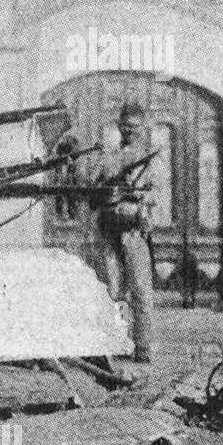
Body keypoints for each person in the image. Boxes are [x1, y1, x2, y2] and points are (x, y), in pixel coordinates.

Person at [94, 101, 157, 364]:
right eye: (126, 126)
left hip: (133, 231)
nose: (130, 130)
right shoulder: (109, 157)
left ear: (142, 128)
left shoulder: (150, 157)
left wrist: (139, 201)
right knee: (112, 289)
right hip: (109, 230)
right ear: (119, 126)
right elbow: (95, 189)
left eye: (135, 126)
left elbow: (154, 194)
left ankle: (142, 346)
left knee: (140, 289)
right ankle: (117, 342)